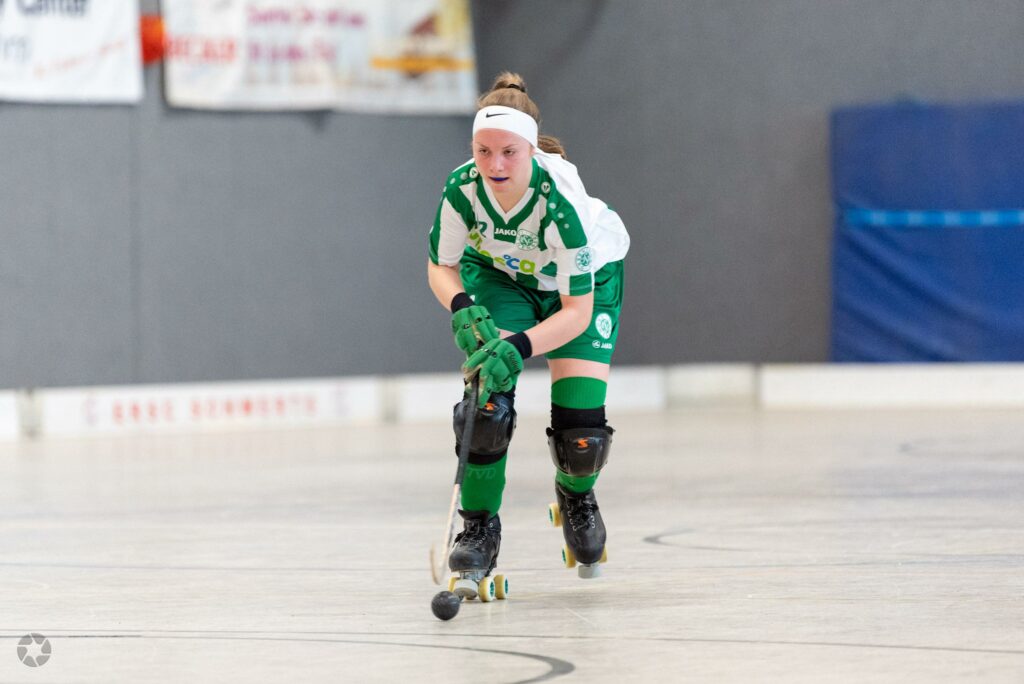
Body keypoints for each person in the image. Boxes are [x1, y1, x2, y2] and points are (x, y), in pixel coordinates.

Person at [427, 72, 630, 584]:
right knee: (485, 409)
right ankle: (478, 528)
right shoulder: (461, 189)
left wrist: (517, 345)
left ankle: (576, 495)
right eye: (483, 151)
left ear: (531, 150)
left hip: (581, 286)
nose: (494, 165)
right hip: (502, 275)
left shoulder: (561, 202)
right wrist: (461, 306)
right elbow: (441, 264)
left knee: (581, 438)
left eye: (509, 152)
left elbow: (575, 312)